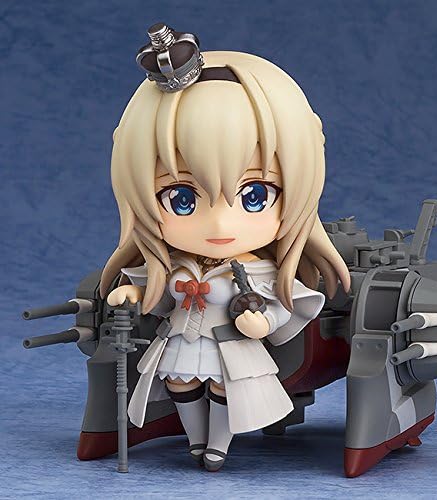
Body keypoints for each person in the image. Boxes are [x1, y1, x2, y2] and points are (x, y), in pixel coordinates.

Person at [99, 25, 350, 472]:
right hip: (182, 339)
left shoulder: (255, 271)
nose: (219, 225)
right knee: (180, 384)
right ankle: (197, 440)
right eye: (181, 199)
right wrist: (134, 292)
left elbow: (281, 303)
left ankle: (218, 444)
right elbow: (156, 290)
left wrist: (261, 320)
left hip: (232, 345)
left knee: (225, 389)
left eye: (255, 196)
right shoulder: (176, 263)